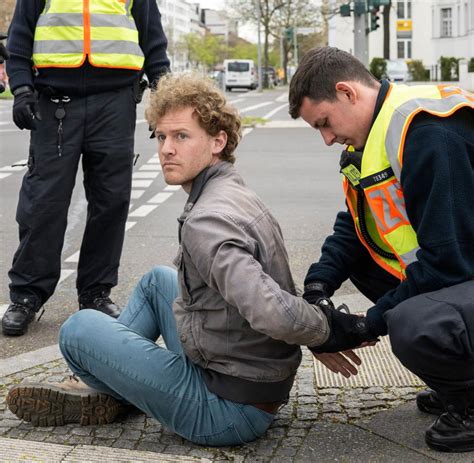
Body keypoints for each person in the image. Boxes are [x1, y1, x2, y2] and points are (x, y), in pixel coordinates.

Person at [6, 73, 370, 446]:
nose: (165, 149)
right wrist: (320, 333)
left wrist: (328, 331)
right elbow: (271, 287)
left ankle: (108, 389)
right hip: (250, 376)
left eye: (181, 136)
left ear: (218, 141)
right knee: (157, 281)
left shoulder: (208, 222)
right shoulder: (232, 187)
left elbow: (270, 309)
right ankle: (117, 388)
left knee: (78, 330)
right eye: (161, 136)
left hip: (227, 409)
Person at [288, 46, 474, 453]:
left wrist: (365, 325)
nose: (327, 139)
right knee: (369, 266)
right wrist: (318, 285)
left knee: (412, 323)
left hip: (461, 265)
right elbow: (357, 226)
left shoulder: (426, 135)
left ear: (347, 93)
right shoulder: (377, 134)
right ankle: (458, 380)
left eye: (324, 122)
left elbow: (448, 264)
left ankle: (470, 400)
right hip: (461, 265)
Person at [2, 0, 170, 336]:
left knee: (112, 202)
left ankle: (95, 293)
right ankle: (27, 295)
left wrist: (166, 98)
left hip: (116, 102)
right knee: (43, 203)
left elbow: (153, 40)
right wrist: (21, 89)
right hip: (53, 102)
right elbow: (20, 37)